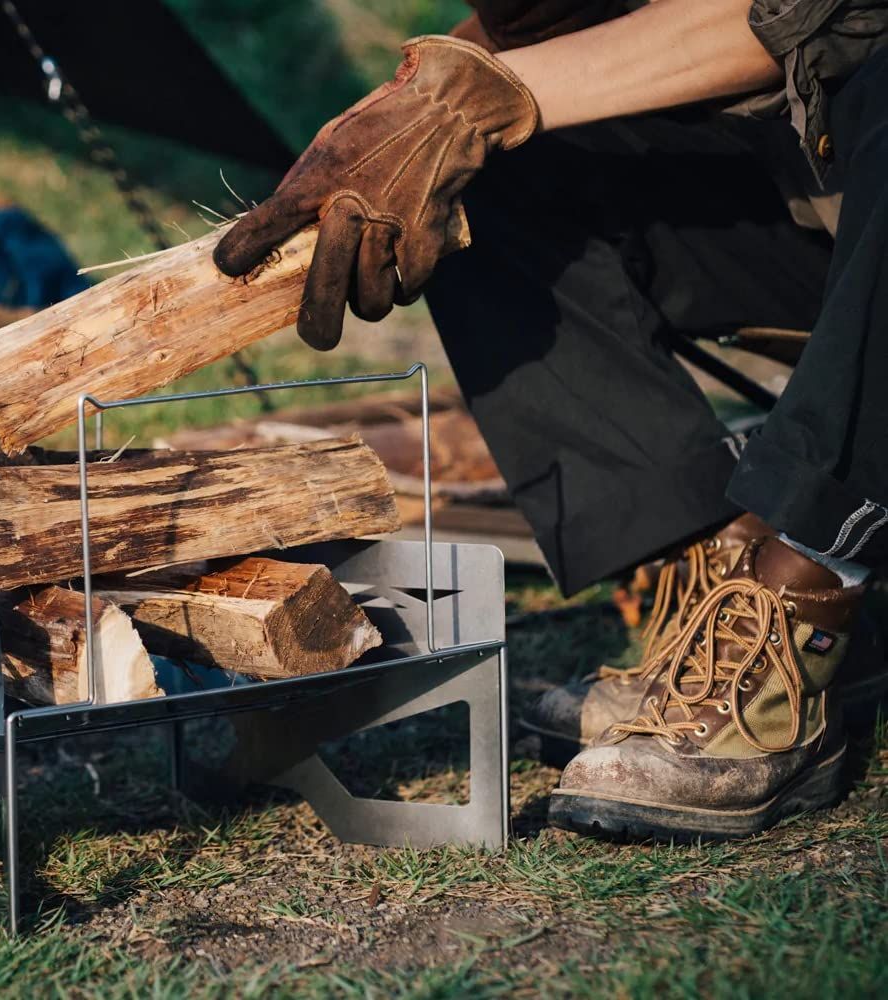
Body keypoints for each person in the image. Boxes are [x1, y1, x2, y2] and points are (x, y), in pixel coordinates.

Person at [213, 0, 888, 839]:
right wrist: (420, 102)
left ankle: (807, 594)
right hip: (802, 202)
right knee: (461, 170)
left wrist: (480, 99)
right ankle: (718, 598)